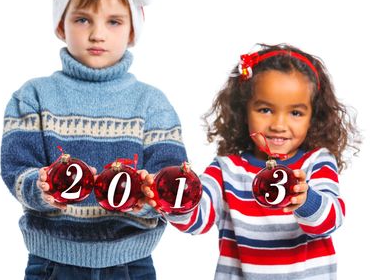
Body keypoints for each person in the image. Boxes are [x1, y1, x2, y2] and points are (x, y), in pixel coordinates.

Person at [0, 0, 187, 280]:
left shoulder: (152, 103)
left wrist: (148, 194)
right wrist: (39, 188)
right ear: (61, 24)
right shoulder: (32, 97)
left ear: (132, 30)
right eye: (83, 19)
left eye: (113, 21)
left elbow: (171, 185)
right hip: (52, 262)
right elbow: (16, 169)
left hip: (132, 263)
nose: (97, 34)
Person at [142, 43, 359, 279]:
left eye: (295, 113)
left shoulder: (317, 162)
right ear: (244, 111)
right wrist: (173, 197)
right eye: (265, 110)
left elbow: (330, 220)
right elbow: (198, 220)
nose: (278, 125)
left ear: (313, 117)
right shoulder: (227, 169)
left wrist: (305, 200)